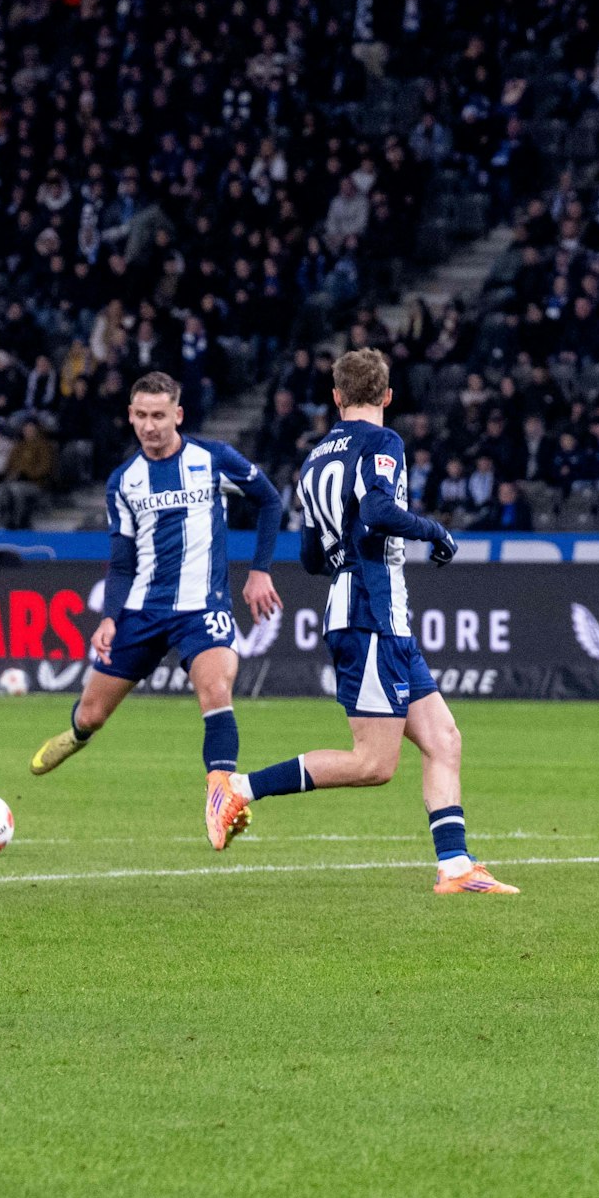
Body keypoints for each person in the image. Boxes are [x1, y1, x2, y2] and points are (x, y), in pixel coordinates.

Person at [209, 349, 518, 894]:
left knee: (444, 738)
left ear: (335, 397)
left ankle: (455, 867)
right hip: (370, 611)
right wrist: (434, 531)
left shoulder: (312, 461)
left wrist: (347, 546)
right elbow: (377, 511)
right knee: (374, 762)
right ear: (388, 396)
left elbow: (308, 556)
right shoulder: (384, 442)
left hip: (370, 610)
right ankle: (238, 787)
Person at [29, 372, 284, 834]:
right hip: (143, 613)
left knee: (215, 692)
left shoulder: (213, 459)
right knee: (91, 714)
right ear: (130, 415)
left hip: (202, 609)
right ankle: (77, 736)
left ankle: (221, 799)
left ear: (178, 415)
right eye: (141, 416)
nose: (150, 426)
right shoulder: (123, 482)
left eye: (159, 416)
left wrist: (260, 570)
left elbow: (269, 500)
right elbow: (122, 562)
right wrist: (109, 619)